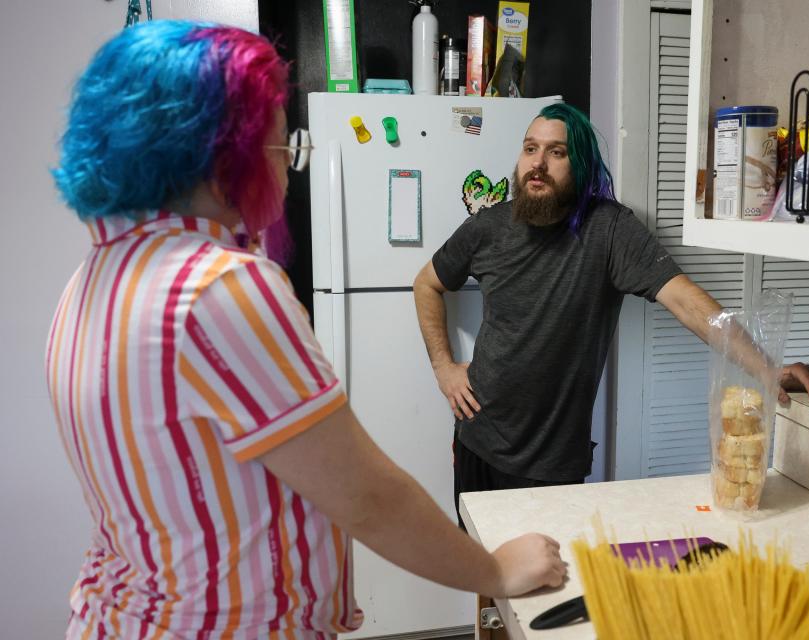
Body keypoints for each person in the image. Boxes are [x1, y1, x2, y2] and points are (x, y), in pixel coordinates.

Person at [47, 21, 565, 638]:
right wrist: (495, 571)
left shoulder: (91, 279)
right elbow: (366, 495)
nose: (290, 171)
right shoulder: (218, 288)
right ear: (222, 155)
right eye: (281, 148)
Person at [413, 103, 809, 520]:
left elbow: (687, 302)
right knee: (482, 563)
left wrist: (767, 369)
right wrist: (443, 367)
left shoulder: (609, 230)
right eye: (530, 148)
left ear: (579, 166)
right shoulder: (486, 228)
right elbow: (427, 283)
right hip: (478, 436)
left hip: (551, 461)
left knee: (541, 577)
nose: (538, 163)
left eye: (556, 152)